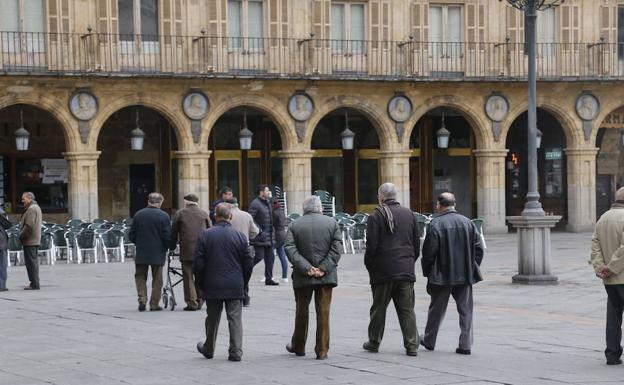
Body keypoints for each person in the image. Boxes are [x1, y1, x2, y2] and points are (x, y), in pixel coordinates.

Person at [421, 192, 484, 355]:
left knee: (436, 310)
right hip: (464, 274)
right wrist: (472, 265)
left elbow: (429, 253)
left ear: (439, 205)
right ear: (454, 204)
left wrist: (428, 271)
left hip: (442, 275)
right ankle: (465, 345)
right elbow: (479, 248)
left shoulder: (435, 224)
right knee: (466, 310)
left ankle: (429, 340)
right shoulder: (468, 223)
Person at [362, 183, 420, 356]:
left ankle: (374, 342)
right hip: (405, 270)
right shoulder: (409, 214)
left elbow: (371, 247)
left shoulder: (375, 216)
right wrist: (409, 261)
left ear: (381, 197)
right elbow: (416, 244)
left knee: (379, 308)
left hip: (383, 271)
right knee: (407, 309)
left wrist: (370, 266)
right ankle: (412, 345)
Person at [284, 196, 342, 360]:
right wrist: (323, 268)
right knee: (323, 312)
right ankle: (322, 350)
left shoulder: (295, 224)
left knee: (301, 311)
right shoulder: (332, 223)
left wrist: (307, 268)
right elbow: (336, 248)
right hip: (326, 276)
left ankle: (299, 346)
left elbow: (289, 248)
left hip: (303, 276)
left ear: (304, 209)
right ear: (320, 207)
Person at [194, 203, 253, 362]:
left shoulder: (205, 235)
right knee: (234, 318)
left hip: (212, 283)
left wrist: (200, 284)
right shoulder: (240, 236)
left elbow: (198, 263)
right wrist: (243, 282)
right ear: (231, 216)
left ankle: (209, 347)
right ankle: (235, 351)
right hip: (235, 283)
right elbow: (248, 262)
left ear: (215, 215)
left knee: (212, 317)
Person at [590, 187, 624, 365]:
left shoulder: (603, 218)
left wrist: (601, 267)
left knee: (614, 316)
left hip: (609, 280)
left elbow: (595, 245)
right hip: (621, 274)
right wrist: (611, 267)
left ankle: (612, 354)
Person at [129, 192, 172, 312]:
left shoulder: (138, 214)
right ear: (160, 202)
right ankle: (154, 304)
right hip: (158, 251)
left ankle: (142, 299)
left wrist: (139, 242)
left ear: (148, 201)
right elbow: (167, 236)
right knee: (157, 279)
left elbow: (131, 235)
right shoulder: (164, 216)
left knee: (140, 276)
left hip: (142, 251)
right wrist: (168, 246)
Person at [170, 193, 211, 311]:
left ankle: (191, 302)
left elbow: (174, 233)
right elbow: (210, 230)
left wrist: (172, 247)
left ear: (186, 202)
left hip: (186, 250)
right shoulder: (204, 214)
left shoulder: (180, 213)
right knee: (200, 275)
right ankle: (200, 299)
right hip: (202, 250)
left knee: (188, 277)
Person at [227, 197, 260, 307]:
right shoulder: (246, 215)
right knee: (244, 272)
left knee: (230, 272)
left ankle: (232, 295)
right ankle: (245, 297)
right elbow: (255, 232)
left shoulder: (225, 215)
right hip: (244, 247)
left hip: (229, 248)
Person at [248, 184, 279, 286]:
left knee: (271, 258)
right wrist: (259, 230)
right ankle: (244, 268)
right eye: (266, 190)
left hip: (269, 236)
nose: (268, 192)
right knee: (258, 257)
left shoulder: (268, 203)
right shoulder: (255, 204)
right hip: (260, 236)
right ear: (261, 192)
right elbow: (250, 218)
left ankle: (269, 279)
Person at [19, 192, 42, 290]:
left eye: (23, 199)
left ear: (29, 198)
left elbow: (29, 226)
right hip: (33, 240)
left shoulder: (32, 209)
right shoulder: (35, 208)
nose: (22, 201)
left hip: (30, 241)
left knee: (31, 263)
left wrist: (21, 236)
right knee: (33, 262)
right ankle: (34, 282)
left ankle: (34, 283)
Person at [273, 199, 289, 283]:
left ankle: (268, 275)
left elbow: (272, 224)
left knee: (269, 256)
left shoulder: (275, 212)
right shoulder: (281, 211)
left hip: (277, 235)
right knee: (282, 256)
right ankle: (284, 276)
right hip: (283, 234)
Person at [0, 206, 11, 291]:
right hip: (1, 242)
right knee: (2, 264)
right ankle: (1, 285)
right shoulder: (1, 212)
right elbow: (7, 225)